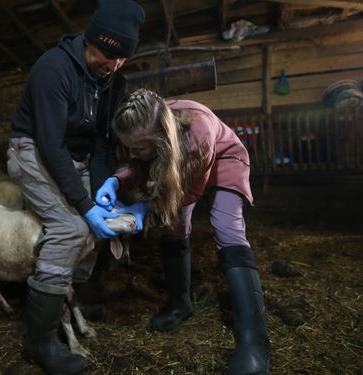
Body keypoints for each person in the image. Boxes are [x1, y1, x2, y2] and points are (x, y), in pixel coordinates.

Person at [6, 1, 145, 374]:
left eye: (122, 58)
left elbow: (101, 142)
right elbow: (50, 146)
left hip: (77, 155)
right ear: (91, 39)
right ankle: (39, 341)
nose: (113, 64)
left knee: (101, 224)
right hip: (33, 149)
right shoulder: (53, 69)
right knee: (70, 227)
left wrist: (101, 195)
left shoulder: (113, 80)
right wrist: (84, 206)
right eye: (107, 53)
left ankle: (68, 298)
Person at [95, 88, 271, 374]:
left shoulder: (196, 132)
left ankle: (254, 343)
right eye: (127, 146)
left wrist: (145, 208)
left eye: (137, 147)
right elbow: (140, 162)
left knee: (227, 226)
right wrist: (117, 180)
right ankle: (180, 304)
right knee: (176, 229)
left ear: (158, 138)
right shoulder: (148, 125)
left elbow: (187, 194)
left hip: (224, 158)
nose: (131, 153)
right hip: (176, 162)